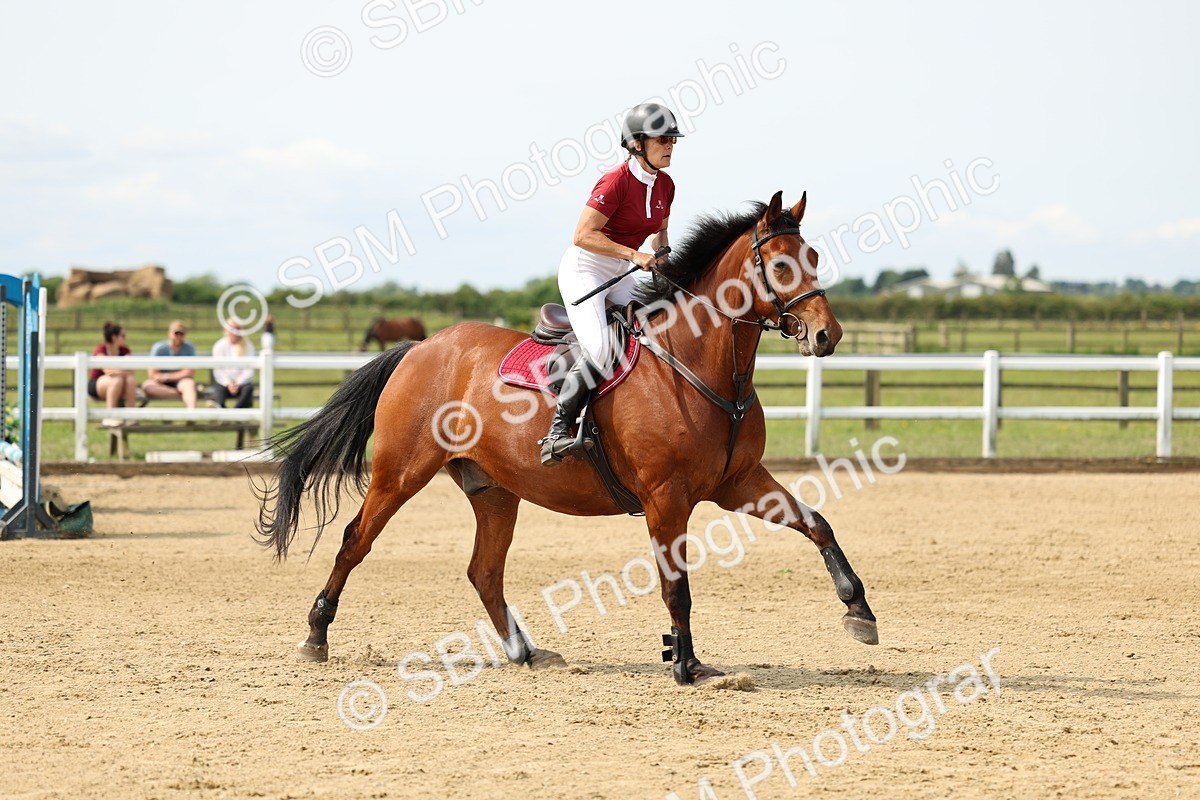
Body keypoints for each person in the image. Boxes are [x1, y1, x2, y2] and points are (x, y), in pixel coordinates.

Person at [539, 102, 683, 466]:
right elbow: (583, 235)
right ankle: (557, 432)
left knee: (656, 330)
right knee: (601, 349)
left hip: (620, 271)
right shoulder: (616, 181)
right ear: (637, 143)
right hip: (585, 269)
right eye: (663, 138)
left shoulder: (666, 185)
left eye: (673, 139)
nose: (670, 145)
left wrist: (664, 258)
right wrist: (634, 256)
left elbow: (658, 239)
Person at [87, 322, 136, 427]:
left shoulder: (124, 350)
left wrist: (119, 372)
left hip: (120, 382)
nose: (125, 338)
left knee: (130, 380)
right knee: (117, 380)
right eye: (123, 335)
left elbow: (132, 370)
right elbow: (108, 370)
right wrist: (123, 371)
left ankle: (132, 416)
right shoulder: (101, 349)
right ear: (114, 337)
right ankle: (109, 416)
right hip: (98, 384)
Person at [141, 320, 198, 408]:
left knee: (189, 385)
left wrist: (167, 376)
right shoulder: (159, 348)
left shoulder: (189, 348)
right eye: (176, 333)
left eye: (181, 334)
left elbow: (189, 372)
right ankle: (180, 394)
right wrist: (166, 377)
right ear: (169, 333)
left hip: (181, 381)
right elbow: (152, 374)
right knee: (147, 386)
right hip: (161, 382)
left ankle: (192, 413)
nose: (178, 336)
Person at [211, 322, 256, 408]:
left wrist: (238, 382)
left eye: (237, 329)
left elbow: (249, 370)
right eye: (232, 329)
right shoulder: (219, 346)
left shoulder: (248, 346)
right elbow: (218, 370)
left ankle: (235, 412)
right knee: (219, 391)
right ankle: (223, 412)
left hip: (242, 384)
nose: (235, 332)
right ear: (226, 330)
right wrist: (228, 383)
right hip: (223, 383)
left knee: (248, 389)